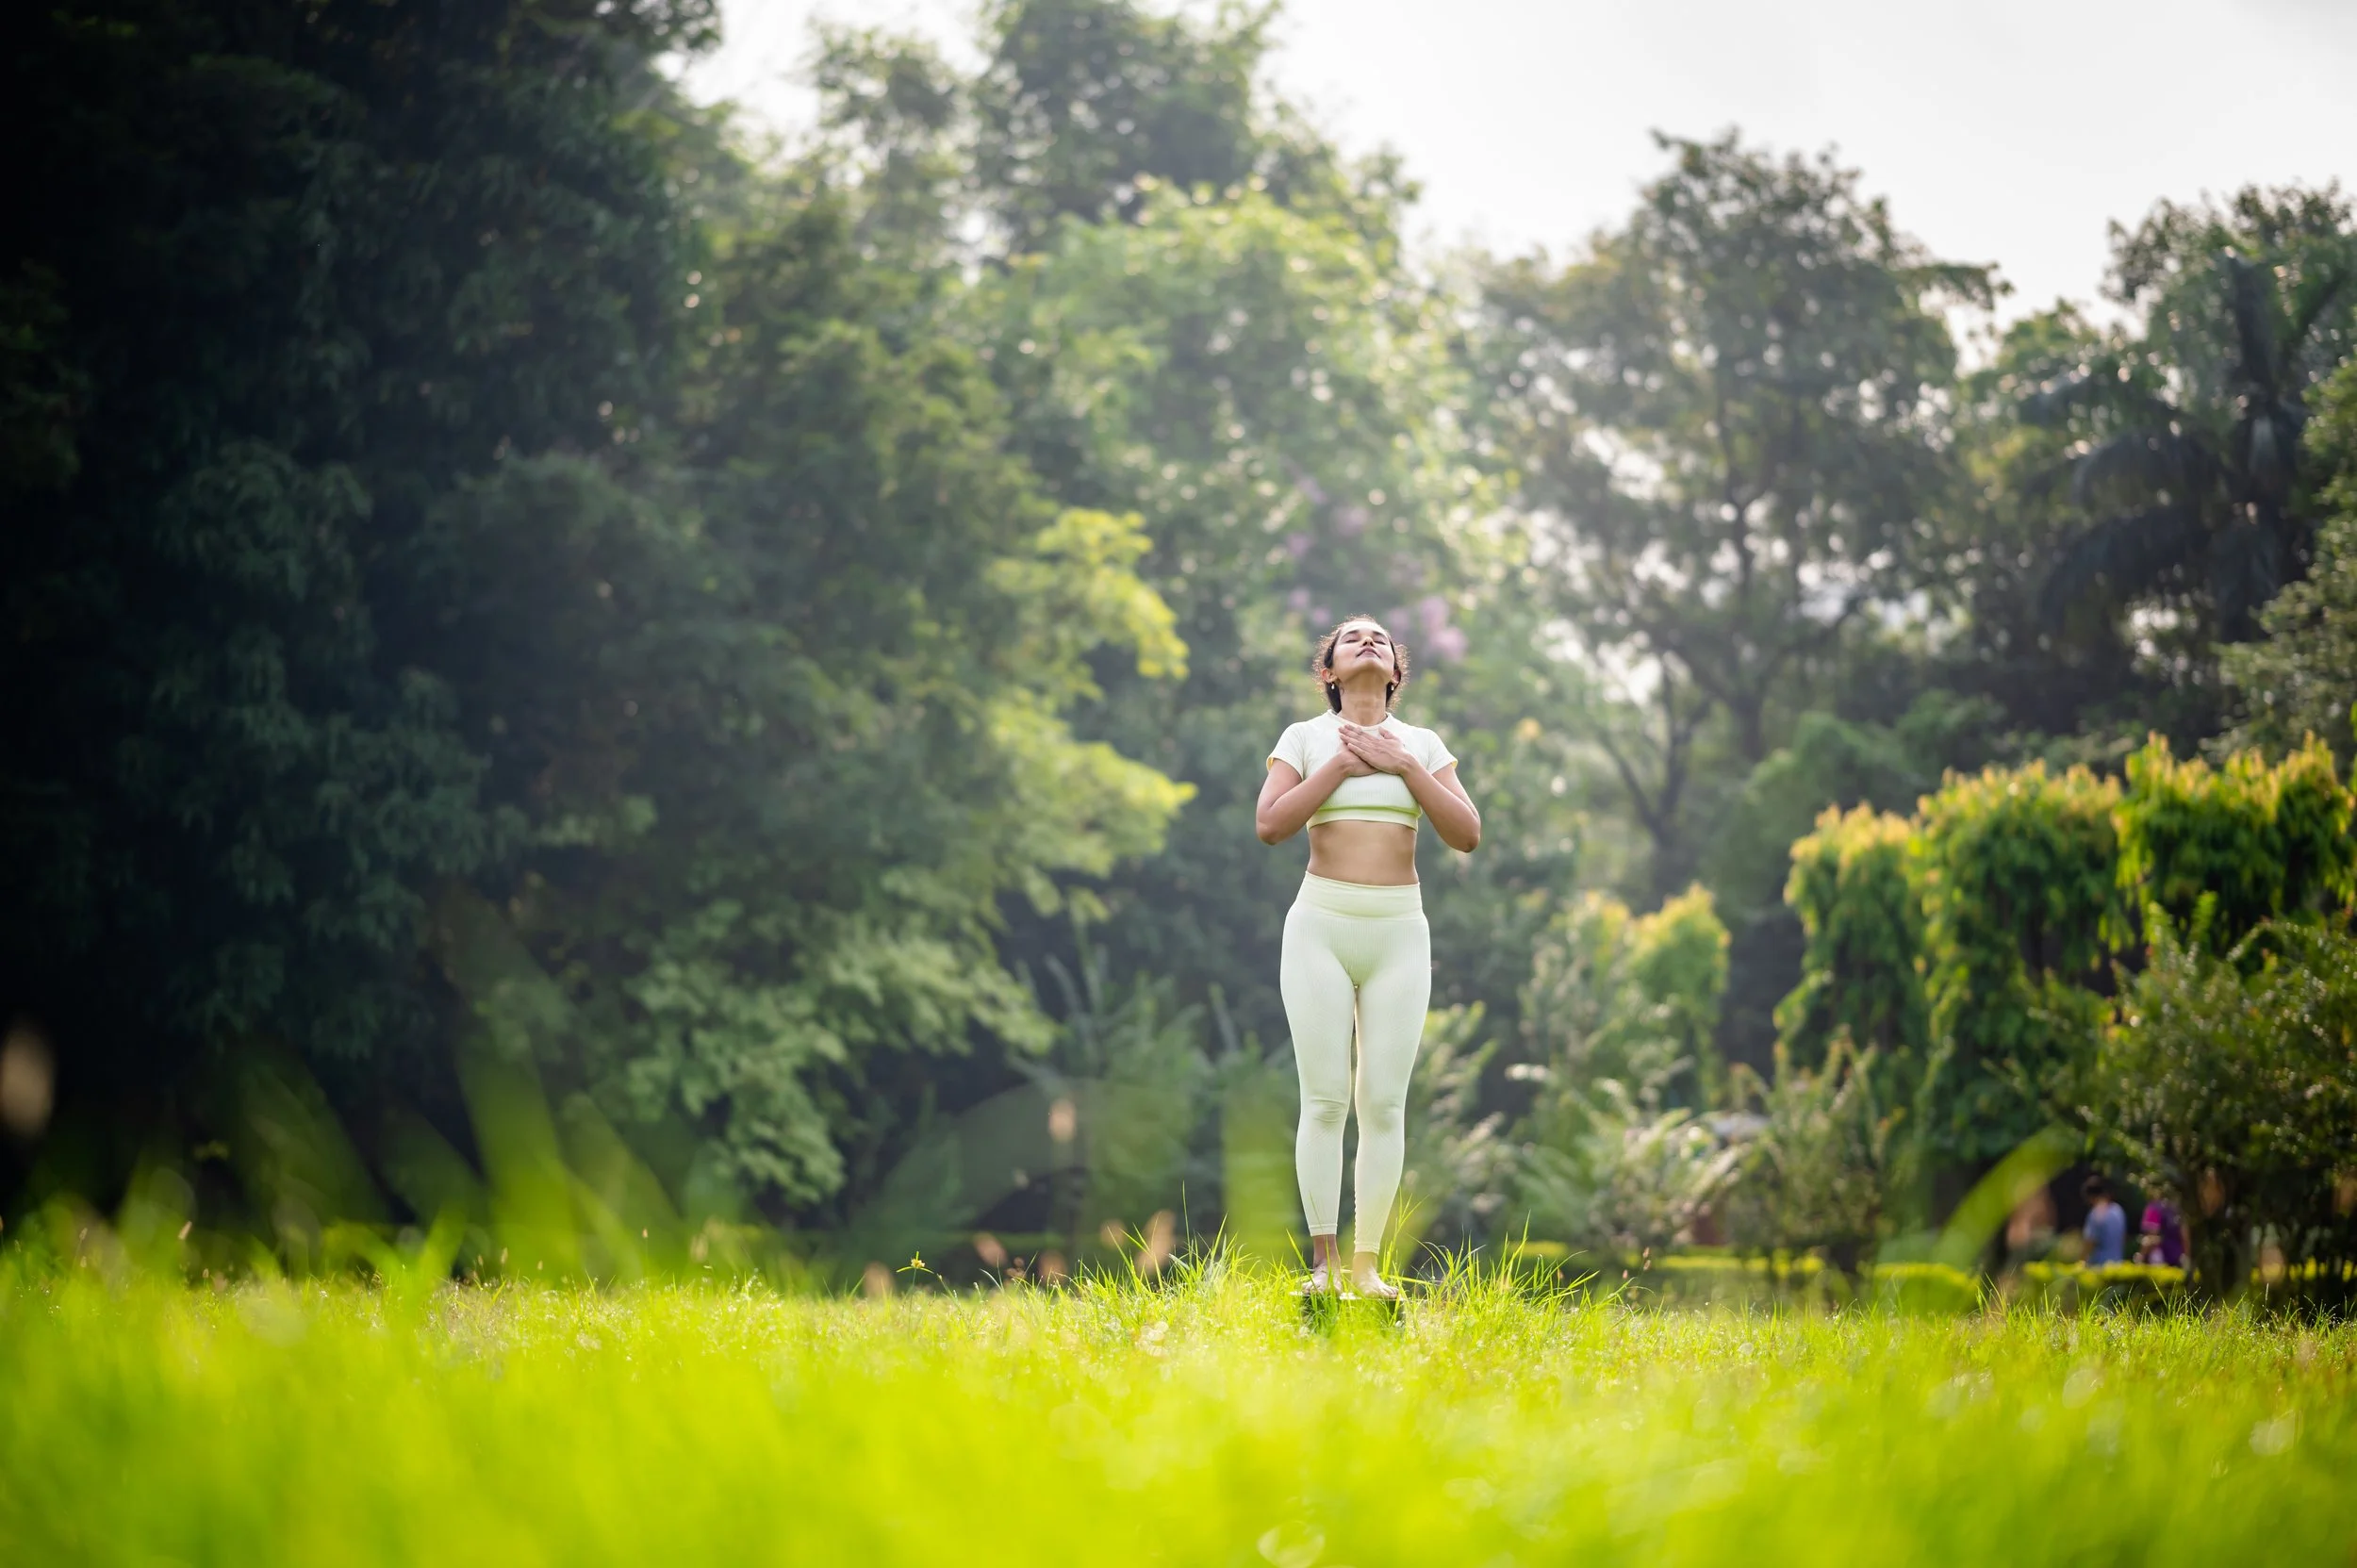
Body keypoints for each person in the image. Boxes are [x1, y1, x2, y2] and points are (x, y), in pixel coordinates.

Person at [1256, 616, 1481, 1298]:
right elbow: (1270, 824)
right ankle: (1323, 1264)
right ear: (1328, 672)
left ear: (1394, 672)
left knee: (1383, 1103)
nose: (1368, 641)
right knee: (1324, 1099)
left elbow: (1466, 833)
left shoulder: (1423, 744)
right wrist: (1342, 766)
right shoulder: (1304, 737)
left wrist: (1405, 766)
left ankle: (1368, 1267)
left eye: (1379, 638)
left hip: (1399, 933)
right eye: (1350, 638)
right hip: (1320, 925)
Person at [2082, 1175, 2126, 1267]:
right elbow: (2123, 1238)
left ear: (2091, 1197)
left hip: (2099, 1267)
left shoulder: (2096, 1213)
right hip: (2117, 1263)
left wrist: (2082, 1263)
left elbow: (2090, 1242)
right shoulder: (2118, 1210)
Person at [2137, 1198, 2184, 1267]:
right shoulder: (2175, 1210)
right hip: (2175, 1257)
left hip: (2165, 1257)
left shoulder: (2156, 1209)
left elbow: (2152, 1238)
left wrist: (2141, 1256)